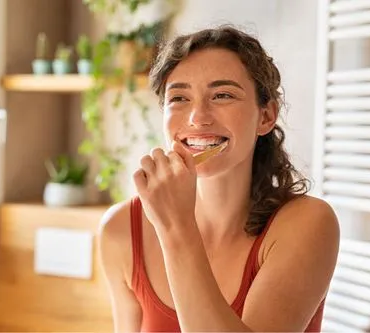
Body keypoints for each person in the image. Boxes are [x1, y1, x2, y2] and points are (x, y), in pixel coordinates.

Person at [99, 25, 340, 332]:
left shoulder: (307, 224)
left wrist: (176, 227)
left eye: (222, 95)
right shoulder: (121, 229)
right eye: (179, 98)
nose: (197, 117)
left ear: (265, 116)